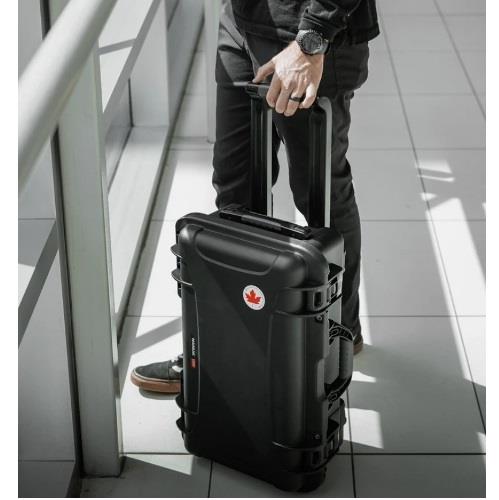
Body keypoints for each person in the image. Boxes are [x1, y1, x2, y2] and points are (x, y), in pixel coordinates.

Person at [131, 0, 379, 394]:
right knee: (234, 192)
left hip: (306, 34)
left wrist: (313, 39)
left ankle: (335, 336)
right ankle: (228, 348)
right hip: (240, 21)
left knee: (320, 196)